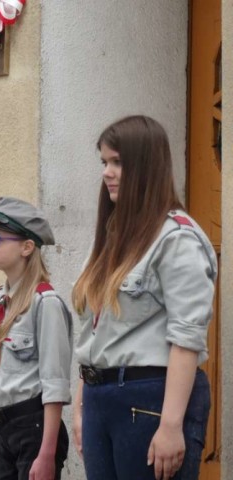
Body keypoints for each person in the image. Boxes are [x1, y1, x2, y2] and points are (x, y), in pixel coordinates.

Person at [71, 115, 217, 480]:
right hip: (101, 397)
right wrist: (81, 401)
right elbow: (96, 328)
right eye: (104, 162)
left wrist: (171, 425)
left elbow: (186, 338)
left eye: (118, 161)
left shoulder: (177, 238)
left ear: (146, 165)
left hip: (150, 399)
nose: (107, 172)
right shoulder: (114, 235)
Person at [0, 197, 72, 480]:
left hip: (33, 431)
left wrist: (47, 454)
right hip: (1, 429)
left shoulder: (45, 303)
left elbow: (54, 385)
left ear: (27, 247)